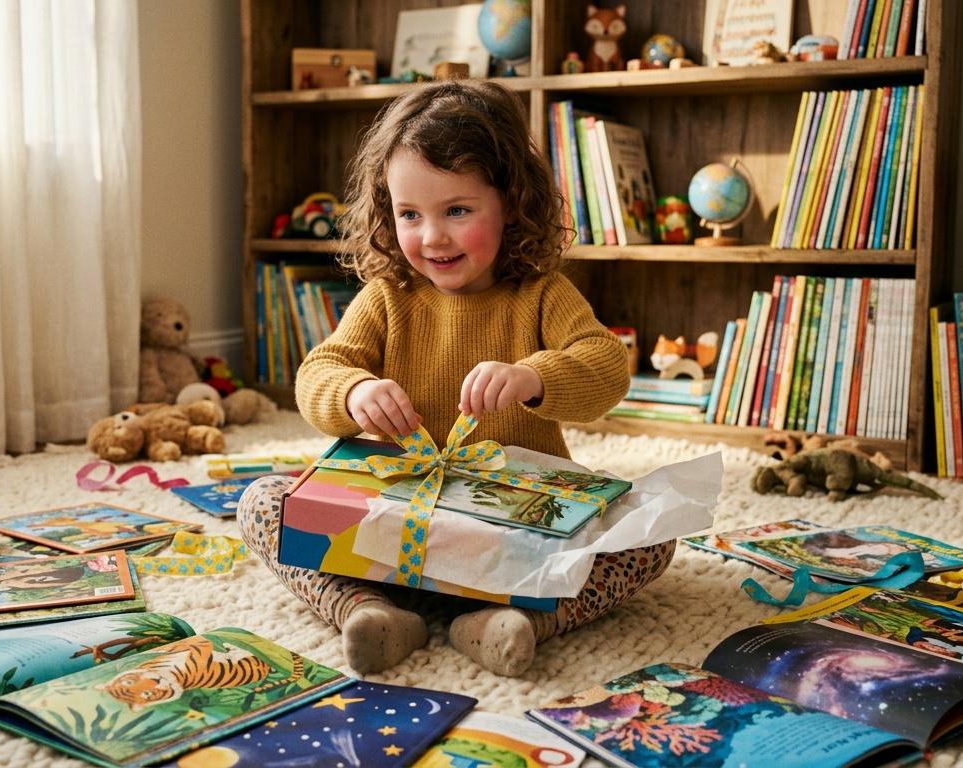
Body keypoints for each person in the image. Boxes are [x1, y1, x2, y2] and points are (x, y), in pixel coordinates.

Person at [238, 80, 673, 677]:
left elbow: (606, 367)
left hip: (515, 542)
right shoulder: (387, 295)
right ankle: (368, 612)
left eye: (457, 211)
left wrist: (532, 376)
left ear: (513, 205)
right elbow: (320, 370)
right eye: (409, 214)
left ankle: (510, 624)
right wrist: (354, 391)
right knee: (263, 502)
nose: (431, 236)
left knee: (648, 530)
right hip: (388, 536)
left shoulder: (542, 294)